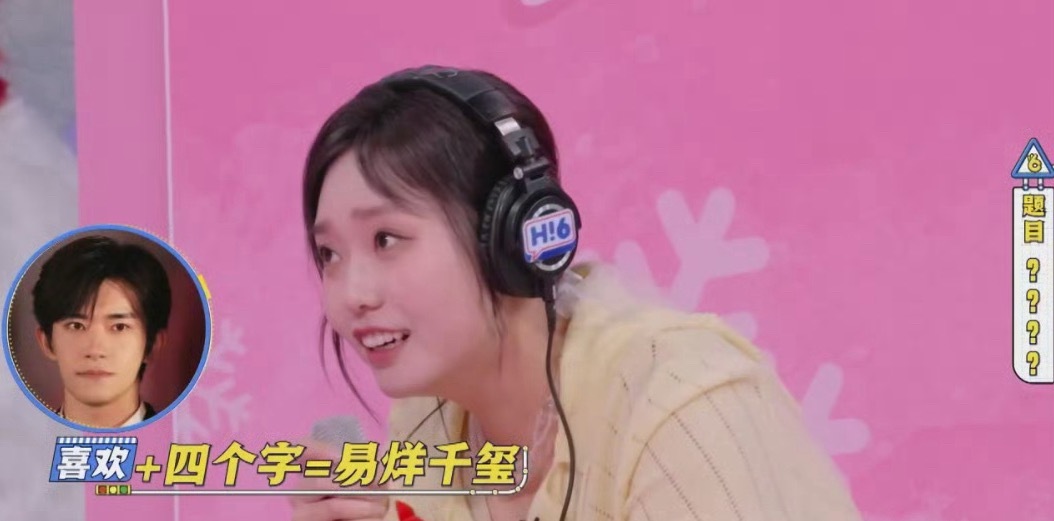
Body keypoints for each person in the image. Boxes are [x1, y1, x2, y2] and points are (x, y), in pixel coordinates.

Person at [291, 65, 863, 521]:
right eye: (329, 255)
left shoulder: (679, 402)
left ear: (509, 237)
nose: (351, 295)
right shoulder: (429, 420)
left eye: (386, 239)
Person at [30, 235, 169, 429]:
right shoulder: (17, 442)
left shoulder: (180, 441)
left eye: (119, 327)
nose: (95, 350)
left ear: (152, 345)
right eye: (76, 325)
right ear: (47, 342)